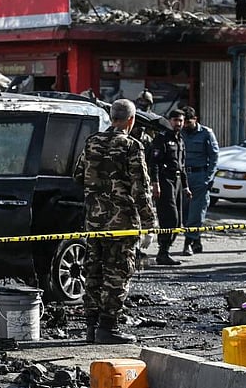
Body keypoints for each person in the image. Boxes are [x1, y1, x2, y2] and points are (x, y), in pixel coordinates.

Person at [73, 99, 157, 345]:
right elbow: (141, 189)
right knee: (117, 274)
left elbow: (78, 175)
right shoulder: (131, 146)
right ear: (131, 120)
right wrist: (150, 224)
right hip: (122, 223)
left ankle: (90, 326)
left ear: (112, 118)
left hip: (94, 221)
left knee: (93, 271)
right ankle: (108, 327)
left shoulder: (92, 142)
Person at [148, 109, 191, 266]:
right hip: (165, 180)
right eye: (175, 120)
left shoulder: (180, 140)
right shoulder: (162, 138)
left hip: (178, 181)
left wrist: (186, 187)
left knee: (178, 220)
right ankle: (163, 251)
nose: (178, 123)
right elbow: (155, 163)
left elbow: (182, 165)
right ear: (169, 121)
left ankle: (165, 251)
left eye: (180, 120)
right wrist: (155, 183)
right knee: (169, 217)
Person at [181, 107, 219, 256]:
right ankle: (196, 240)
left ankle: (188, 243)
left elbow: (214, 157)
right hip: (183, 177)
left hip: (199, 176)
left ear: (195, 119)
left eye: (188, 122)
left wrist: (208, 178)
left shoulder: (206, 133)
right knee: (184, 212)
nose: (185, 125)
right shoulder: (179, 133)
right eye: (184, 122)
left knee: (196, 212)